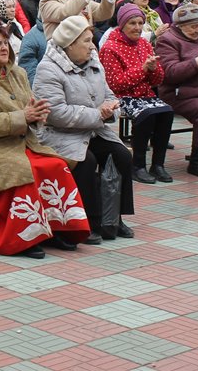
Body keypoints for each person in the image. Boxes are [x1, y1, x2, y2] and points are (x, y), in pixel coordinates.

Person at [0, 21, 89, 257]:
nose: (4, 48)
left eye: (5, 42)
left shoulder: (18, 74)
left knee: (56, 165)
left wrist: (38, 115)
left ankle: (58, 228)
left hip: (21, 143)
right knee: (23, 171)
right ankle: (25, 236)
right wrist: (24, 116)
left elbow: (30, 108)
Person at [33, 15, 134, 243]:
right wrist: (98, 114)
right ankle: (89, 220)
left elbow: (109, 95)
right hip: (60, 134)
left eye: (91, 40)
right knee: (86, 161)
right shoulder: (48, 69)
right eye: (86, 41)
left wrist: (111, 108)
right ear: (69, 44)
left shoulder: (93, 61)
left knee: (120, 155)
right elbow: (56, 113)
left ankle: (114, 217)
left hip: (93, 130)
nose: (92, 46)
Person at [101, 3, 173, 185]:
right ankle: (138, 166)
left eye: (140, 23)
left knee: (167, 111)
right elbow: (115, 84)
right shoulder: (110, 47)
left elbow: (157, 80)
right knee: (147, 114)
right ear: (122, 24)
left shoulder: (144, 44)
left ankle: (158, 164)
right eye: (132, 23)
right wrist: (142, 70)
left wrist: (154, 69)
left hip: (145, 95)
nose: (138, 28)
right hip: (122, 97)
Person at [156, 4, 198, 179]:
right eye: (193, 26)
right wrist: (197, 61)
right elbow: (169, 73)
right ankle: (196, 161)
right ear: (180, 26)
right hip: (181, 92)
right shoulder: (168, 40)